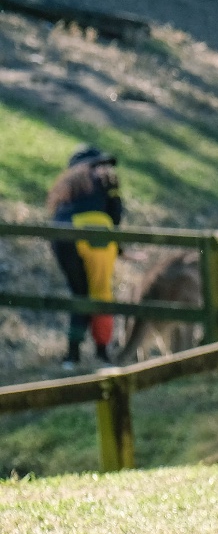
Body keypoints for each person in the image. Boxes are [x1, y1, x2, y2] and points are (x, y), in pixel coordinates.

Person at [47, 145, 123, 368]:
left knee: (79, 294)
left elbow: (56, 217)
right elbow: (115, 212)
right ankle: (102, 352)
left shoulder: (64, 185)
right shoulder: (106, 178)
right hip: (95, 234)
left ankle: (72, 356)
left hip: (62, 236)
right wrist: (118, 245)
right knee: (100, 293)